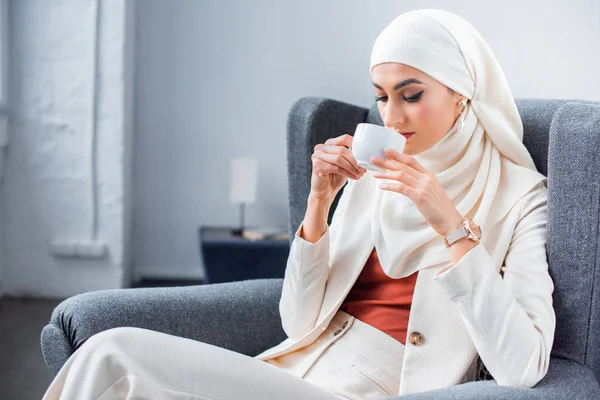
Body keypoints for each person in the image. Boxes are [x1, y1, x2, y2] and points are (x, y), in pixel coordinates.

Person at [42, 8, 555, 400]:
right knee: (108, 357)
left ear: (462, 93)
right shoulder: (377, 173)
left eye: (411, 94)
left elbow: (523, 367)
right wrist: (319, 204)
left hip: (366, 389)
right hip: (289, 370)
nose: (391, 116)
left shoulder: (521, 198)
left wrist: (452, 227)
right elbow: (297, 321)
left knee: (115, 355)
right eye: (380, 96)